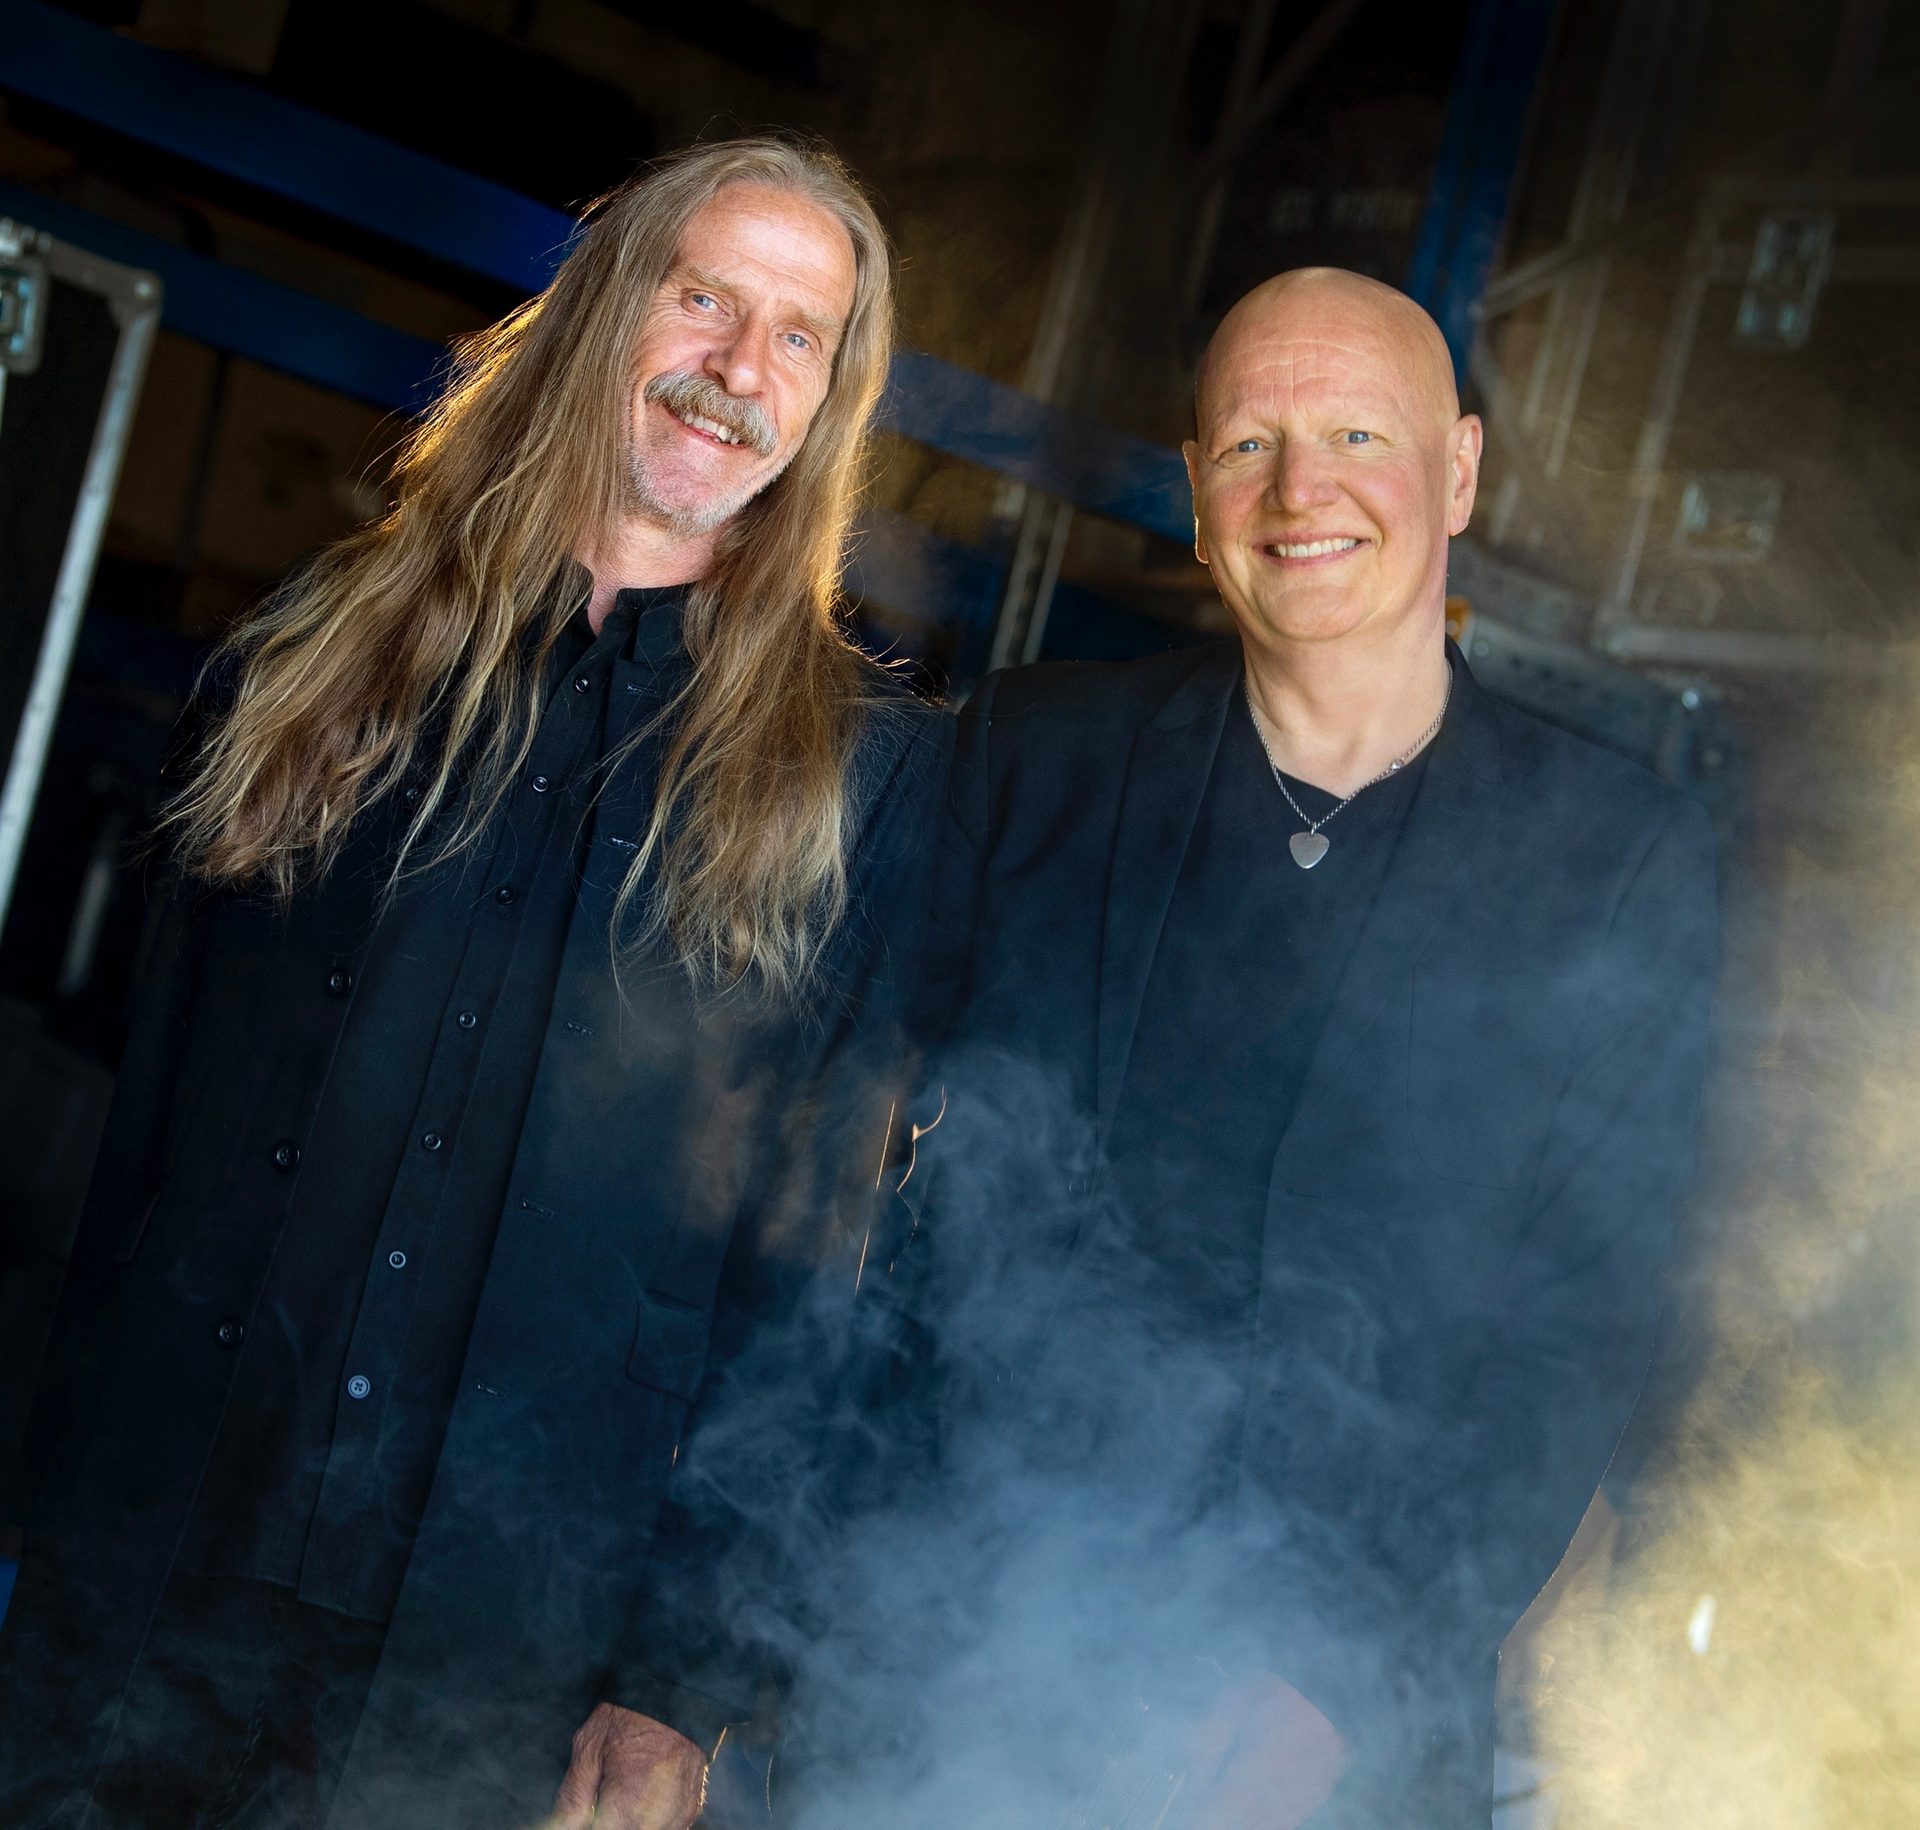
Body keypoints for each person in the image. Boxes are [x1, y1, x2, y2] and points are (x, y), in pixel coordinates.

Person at [0, 135, 944, 1830]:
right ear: (606, 310)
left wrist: (680, 1682)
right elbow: (139, 1120)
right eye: (708, 297)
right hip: (139, 1576)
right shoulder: (325, 646)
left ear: (826, 406)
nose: (739, 369)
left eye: (799, 336)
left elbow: (806, 1287)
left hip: (490, 1660)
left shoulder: (852, 787)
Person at [853, 268, 1717, 1826]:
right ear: (1194, 496)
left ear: (1457, 471)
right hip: (959, 1664)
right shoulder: (1030, 756)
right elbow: (843, 1182)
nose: (1299, 491)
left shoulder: (1615, 856)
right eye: (1249, 446)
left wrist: (1338, 1671)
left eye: (1356, 434)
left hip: (1345, 1748)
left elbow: (1576, 1339)